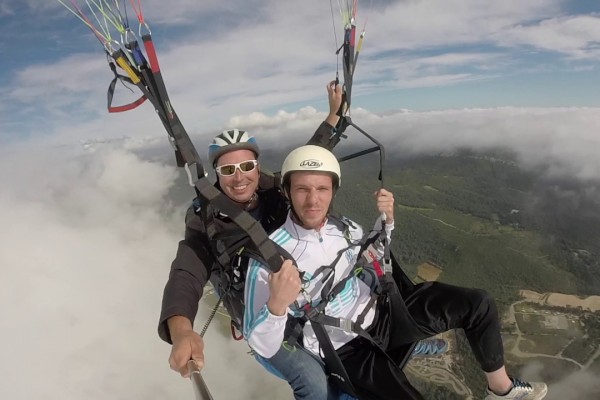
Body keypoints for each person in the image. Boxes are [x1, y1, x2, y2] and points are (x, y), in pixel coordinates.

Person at [243, 145, 549, 400]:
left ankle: (501, 390)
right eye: (303, 190)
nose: (314, 200)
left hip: (385, 314)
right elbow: (262, 343)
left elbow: (372, 252)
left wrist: (386, 222)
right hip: (346, 349)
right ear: (287, 192)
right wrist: (276, 306)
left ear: (333, 190)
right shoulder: (269, 258)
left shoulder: (344, 227)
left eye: (322, 189)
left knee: (478, 305)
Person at [158, 82, 352, 399]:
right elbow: (187, 272)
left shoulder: (275, 189)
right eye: (228, 169)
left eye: (247, 166)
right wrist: (181, 330)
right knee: (312, 382)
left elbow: (309, 159)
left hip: (303, 296)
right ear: (216, 175)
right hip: (261, 315)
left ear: (257, 167)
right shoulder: (205, 219)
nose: (239, 176)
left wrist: (333, 116)